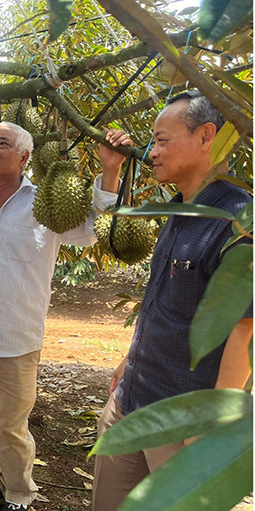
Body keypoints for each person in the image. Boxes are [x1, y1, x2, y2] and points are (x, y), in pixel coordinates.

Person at [0, 115, 122, 511]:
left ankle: (18, 492)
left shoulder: (46, 203)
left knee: (11, 426)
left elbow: (90, 227)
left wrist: (110, 170)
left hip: (16, 337)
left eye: (2, 144)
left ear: (25, 156)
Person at [92, 91, 253, 510]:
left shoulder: (238, 224)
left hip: (182, 420)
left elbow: (244, 330)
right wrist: (131, 360)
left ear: (206, 137)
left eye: (163, 140)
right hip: (133, 398)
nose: (153, 151)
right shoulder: (181, 210)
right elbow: (163, 301)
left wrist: (209, 430)